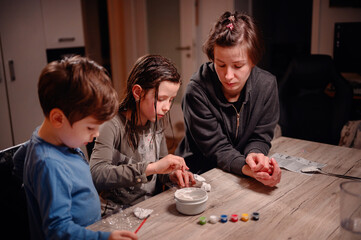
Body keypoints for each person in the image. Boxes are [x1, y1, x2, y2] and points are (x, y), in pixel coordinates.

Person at [19, 56, 145, 240]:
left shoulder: (48, 136)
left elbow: (17, 161)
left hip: (91, 228)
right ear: (58, 119)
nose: (96, 135)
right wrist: (104, 238)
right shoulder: (49, 164)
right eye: (90, 128)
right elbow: (57, 230)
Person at [175, 11, 281, 187]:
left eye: (238, 66)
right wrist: (248, 169)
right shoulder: (196, 91)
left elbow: (260, 136)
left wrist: (255, 155)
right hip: (200, 173)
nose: (228, 75)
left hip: (239, 170)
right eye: (220, 65)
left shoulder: (267, 85)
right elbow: (217, 149)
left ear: (253, 60)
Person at [90, 55, 196, 215]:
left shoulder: (155, 120)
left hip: (150, 208)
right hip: (116, 215)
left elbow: (160, 169)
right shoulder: (111, 125)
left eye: (171, 99)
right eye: (161, 99)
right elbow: (96, 174)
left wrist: (172, 174)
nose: (167, 107)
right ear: (138, 92)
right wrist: (151, 168)